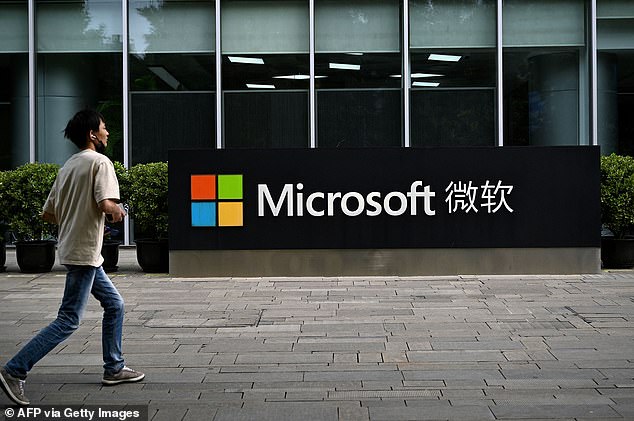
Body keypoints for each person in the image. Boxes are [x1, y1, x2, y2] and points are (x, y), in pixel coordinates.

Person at [0, 109, 144, 406]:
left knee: (115, 304)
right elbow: (106, 203)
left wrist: (84, 219)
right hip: (84, 252)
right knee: (68, 320)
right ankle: (14, 370)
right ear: (92, 134)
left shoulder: (69, 165)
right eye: (104, 128)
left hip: (74, 247)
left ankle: (114, 367)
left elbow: (49, 214)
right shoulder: (100, 162)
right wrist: (118, 212)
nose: (106, 132)